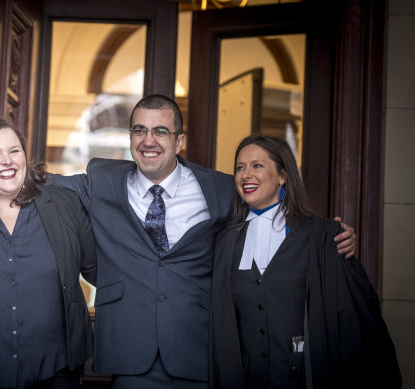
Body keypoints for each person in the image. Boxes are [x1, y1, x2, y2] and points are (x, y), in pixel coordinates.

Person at [49, 94, 356, 389]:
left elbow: (271, 209)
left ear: (179, 141)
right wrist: (4, 173)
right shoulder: (103, 180)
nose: (148, 140)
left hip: (200, 352)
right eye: (139, 130)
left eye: (160, 131)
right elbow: (45, 185)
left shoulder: (222, 188)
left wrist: (330, 236)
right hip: (131, 354)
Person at [209, 135, 401, 389]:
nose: (246, 175)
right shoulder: (224, 243)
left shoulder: (324, 237)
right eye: (240, 168)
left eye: (257, 166)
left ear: (283, 176)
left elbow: (355, 323)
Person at [0, 117, 97, 389]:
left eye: (14, 151)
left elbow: (99, 271)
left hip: (57, 371)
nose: (7, 161)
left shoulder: (63, 205)